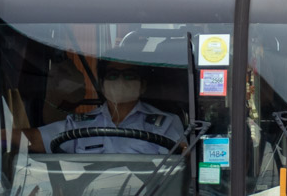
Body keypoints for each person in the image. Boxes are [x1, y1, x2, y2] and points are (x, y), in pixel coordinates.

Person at [29, 61, 186, 154]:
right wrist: (5, 136)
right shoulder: (78, 125)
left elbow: (181, 165)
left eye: (129, 75)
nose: (121, 81)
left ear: (143, 85)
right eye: (113, 75)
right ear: (102, 86)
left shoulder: (167, 124)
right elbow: (33, 139)